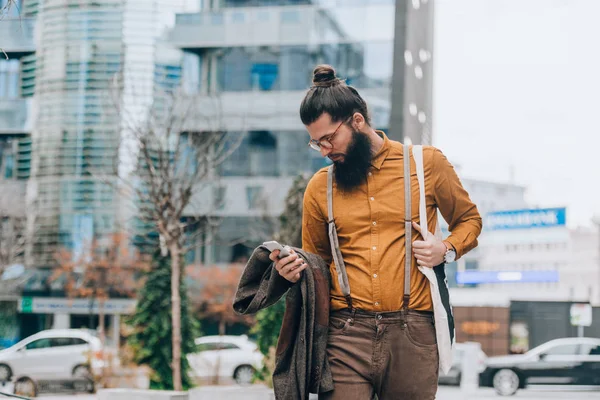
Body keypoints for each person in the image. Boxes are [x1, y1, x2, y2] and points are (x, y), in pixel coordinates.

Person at [270, 64, 482, 400]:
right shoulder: (319, 187)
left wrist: (446, 249)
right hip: (345, 334)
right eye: (316, 143)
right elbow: (318, 265)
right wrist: (293, 270)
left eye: (329, 138)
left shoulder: (425, 165)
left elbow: (470, 221)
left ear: (357, 121)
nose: (324, 150)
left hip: (413, 332)